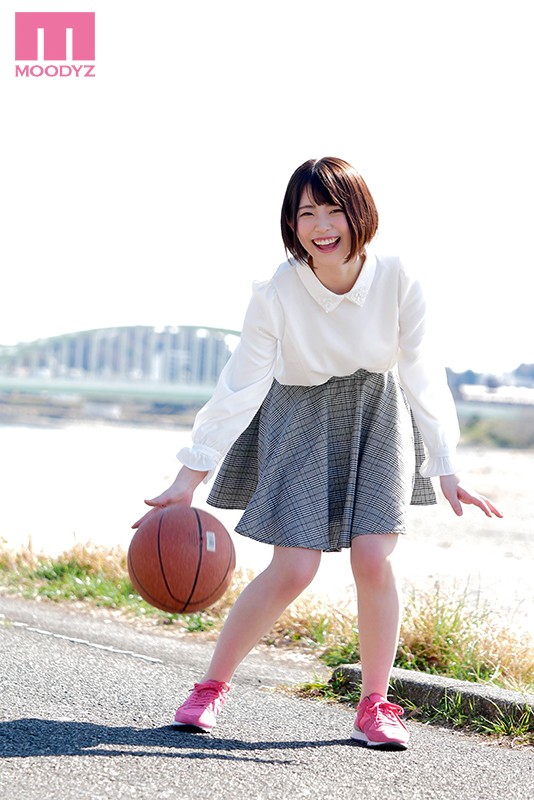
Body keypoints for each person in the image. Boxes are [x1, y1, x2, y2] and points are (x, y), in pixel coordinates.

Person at [133, 157, 502, 751]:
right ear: (292, 223)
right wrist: (188, 476)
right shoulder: (277, 291)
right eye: (307, 213)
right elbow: (240, 384)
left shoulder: (397, 277)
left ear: (361, 213)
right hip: (300, 411)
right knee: (295, 568)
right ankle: (210, 689)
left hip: (378, 409)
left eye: (334, 210)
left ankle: (375, 705)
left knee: (373, 558)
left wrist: (446, 463)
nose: (322, 226)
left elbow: (421, 370)